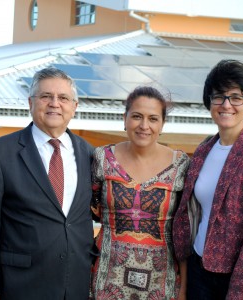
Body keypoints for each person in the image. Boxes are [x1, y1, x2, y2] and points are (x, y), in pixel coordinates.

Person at [173, 59, 243, 300]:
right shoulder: (204, 150)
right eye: (218, 96)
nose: (226, 104)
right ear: (209, 103)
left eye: (236, 97)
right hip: (201, 270)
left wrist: (239, 293)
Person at [0, 67, 97, 300]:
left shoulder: (91, 155)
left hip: (76, 284)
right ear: (31, 102)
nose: (54, 103)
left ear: (74, 107)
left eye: (63, 98)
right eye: (46, 96)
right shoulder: (0, 153)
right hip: (20, 285)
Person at [90, 86, 190, 299]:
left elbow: (184, 232)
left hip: (162, 282)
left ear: (162, 124)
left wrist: (184, 289)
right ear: (124, 118)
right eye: (137, 116)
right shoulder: (102, 158)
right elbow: (87, 211)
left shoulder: (181, 165)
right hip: (107, 280)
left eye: (153, 119)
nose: (144, 126)